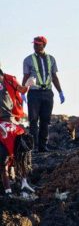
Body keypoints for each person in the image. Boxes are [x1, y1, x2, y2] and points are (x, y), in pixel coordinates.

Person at [22, 36, 64, 152]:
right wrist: (22, 92)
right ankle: (33, 147)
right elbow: (25, 76)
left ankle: (43, 146)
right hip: (34, 93)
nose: (35, 46)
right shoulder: (28, 60)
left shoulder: (51, 59)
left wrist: (60, 91)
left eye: (38, 44)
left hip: (48, 93)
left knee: (45, 120)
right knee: (33, 120)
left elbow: (54, 76)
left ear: (43, 45)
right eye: (34, 44)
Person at [0, 66, 35, 198]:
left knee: (22, 152)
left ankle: (24, 183)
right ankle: (8, 190)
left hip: (12, 124)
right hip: (1, 126)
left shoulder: (9, 80)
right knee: (2, 159)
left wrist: (29, 83)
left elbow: (22, 90)